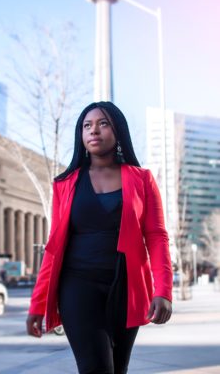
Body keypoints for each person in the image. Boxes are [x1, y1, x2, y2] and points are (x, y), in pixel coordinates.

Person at [26, 101, 173, 374]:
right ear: (80, 135)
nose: (94, 130)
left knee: (118, 368)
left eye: (103, 123)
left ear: (118, 131)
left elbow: (156, 237)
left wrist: (162, 290)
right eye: (87, 125)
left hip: (126, 288)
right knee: (96, 368)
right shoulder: (64, 183)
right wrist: (38, 303)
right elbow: (54, 247)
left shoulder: (142, 179)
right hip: (78, 285)